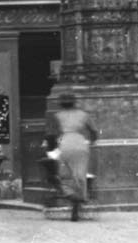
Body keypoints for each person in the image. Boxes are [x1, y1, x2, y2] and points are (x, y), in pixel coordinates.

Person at [48, 92, 99, 222]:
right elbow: (94, 131)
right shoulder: (84, 115)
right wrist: (91, 141)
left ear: (61, 104)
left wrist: (52, 149)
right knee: (80, 174)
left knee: (64, 175)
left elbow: (52, 135)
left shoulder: (57, 116)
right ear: (74, 103)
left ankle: (71, 195)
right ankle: (79, 199)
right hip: (81, 144)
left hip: (65, 143)